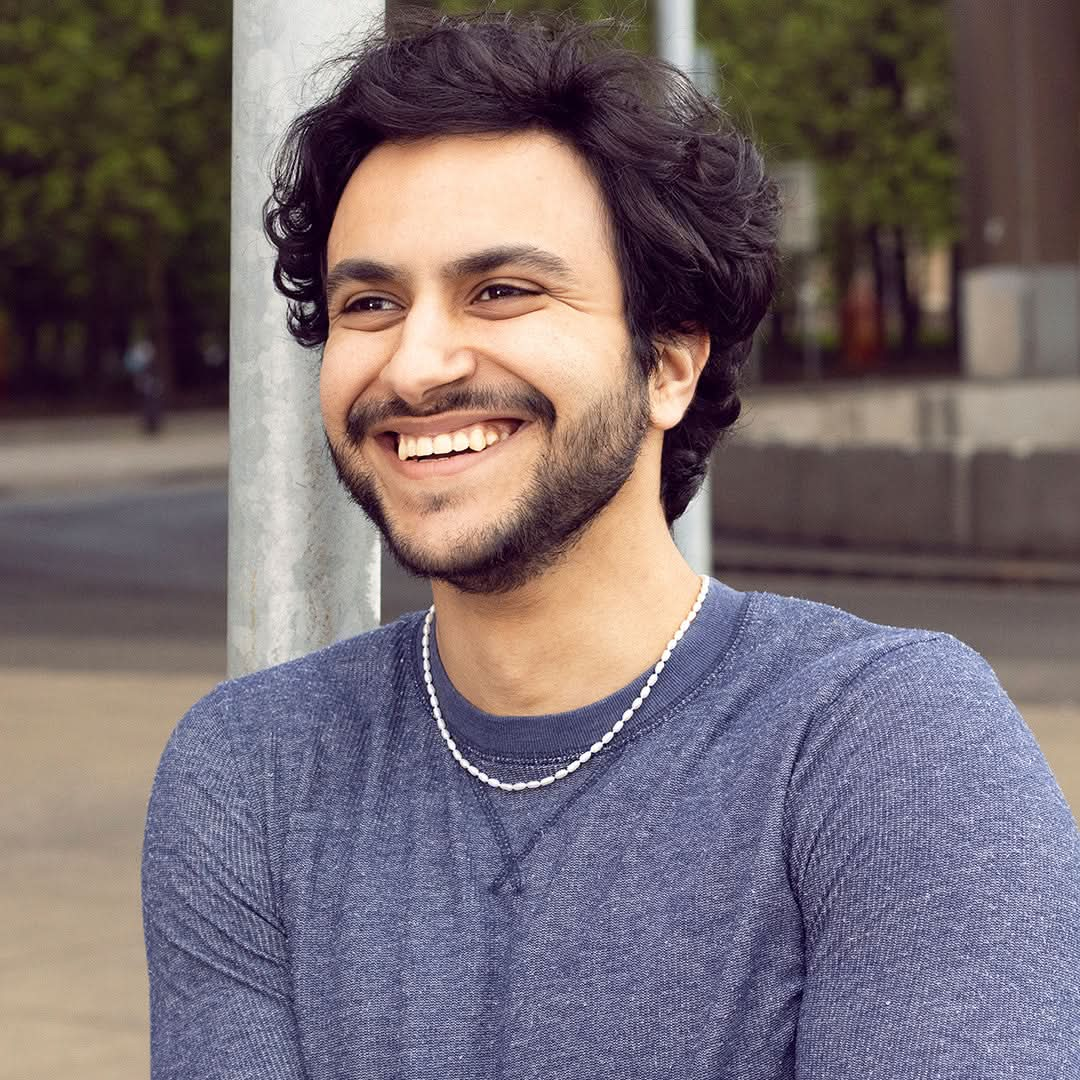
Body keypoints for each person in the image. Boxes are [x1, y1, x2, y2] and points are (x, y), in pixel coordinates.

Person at [142, 13, 1080, 1079]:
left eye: (501, 290)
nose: (416, 365)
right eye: (371, 302)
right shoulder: (251, 774)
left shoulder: (888, 749)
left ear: (669, 363)